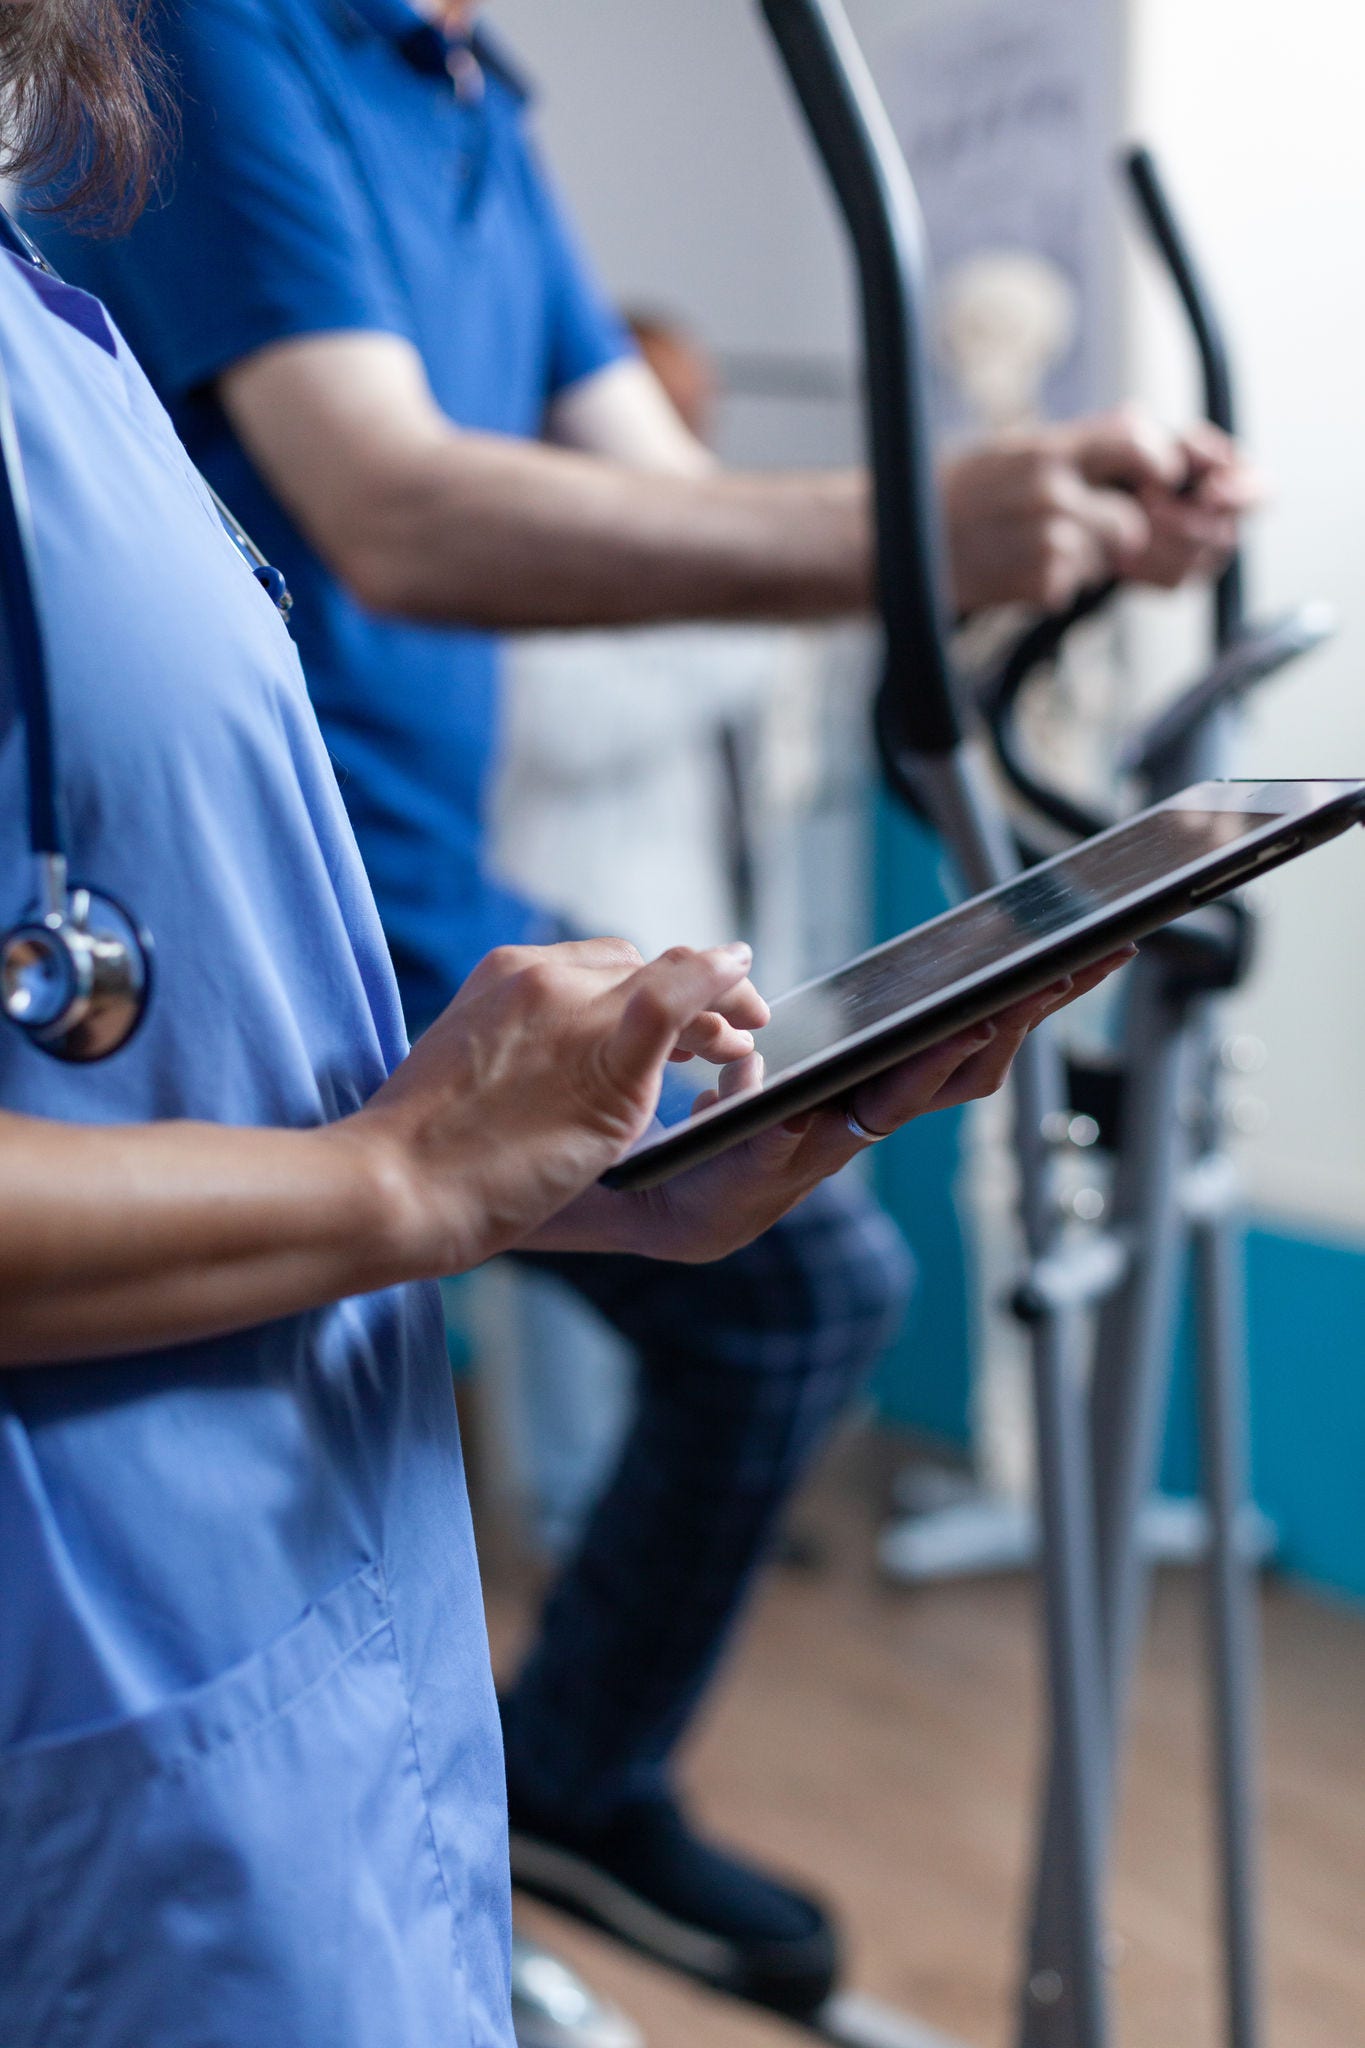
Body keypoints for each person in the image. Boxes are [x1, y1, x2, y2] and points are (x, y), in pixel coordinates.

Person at [32, 0, 1257, 2013]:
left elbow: (663, 494)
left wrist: (999, 509)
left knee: (776, 1268)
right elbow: (397, 511)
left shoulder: (469, 98)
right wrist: (918, 527)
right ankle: (566, 1778)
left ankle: (558, 1776)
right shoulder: (213, 41)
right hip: (276, 910)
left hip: (422, 889)